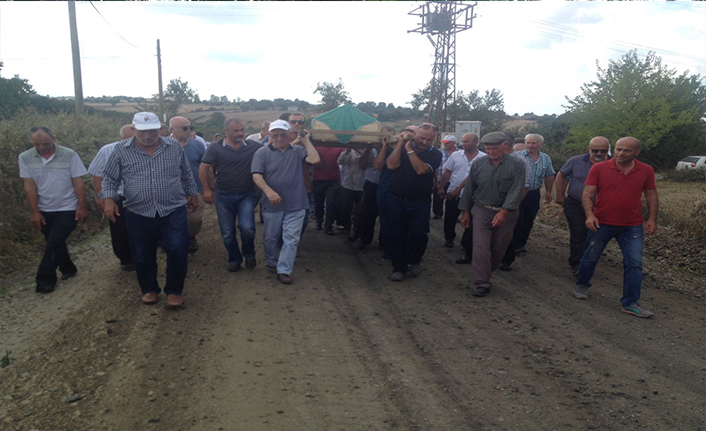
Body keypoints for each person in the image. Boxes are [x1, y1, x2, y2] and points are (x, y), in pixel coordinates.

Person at [101, 112, 198, 308]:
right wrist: (109, 200)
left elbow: (186, 173)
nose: (148, 136)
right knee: (142, 252)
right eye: (143, 132)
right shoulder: (121, 150)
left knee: (178, 248)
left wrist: (192, 193)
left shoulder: (174, 147)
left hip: (173, 208)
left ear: (160, 129)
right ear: (134, 129)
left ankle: (174, 291)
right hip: (138, 210)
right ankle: (149, 289)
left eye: (153, 131)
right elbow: (110, 179)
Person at [573, 137, 658, 318]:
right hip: (602, 222)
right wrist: (590, 215)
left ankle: (630, 302)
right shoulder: (599, 168)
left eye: (627, 150)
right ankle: (582, 284)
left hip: (632, 225)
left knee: (634, 263)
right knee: (590, 256)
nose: (621, 153)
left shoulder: (646, 170)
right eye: (618, 149)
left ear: (637, 152)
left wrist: (652, 218)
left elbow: (651, 194)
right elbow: (587, 193)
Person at [19, 126, 88, 293]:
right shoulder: (25, 157)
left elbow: (78, 182)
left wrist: (82, 206)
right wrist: (34, 212)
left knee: (53, 243)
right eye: (37, 144)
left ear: (53, 139)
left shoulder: (69, 155)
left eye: (46, 143)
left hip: (68, 207)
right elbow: (29, 186)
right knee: (55, 241)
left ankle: (44, 280)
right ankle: (68, 268)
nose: (42, 147)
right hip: (44, 209)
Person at [251, 120, 320, 284]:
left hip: (296, 203)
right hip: (272, 205)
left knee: (291, 238)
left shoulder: (298, 151)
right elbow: (256, 175)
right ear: (270, 135)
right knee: (271, 238)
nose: (280, 138)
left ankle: (284, 270)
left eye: (283, 135)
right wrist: (268, 191)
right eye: (275, 135)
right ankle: (272, 261)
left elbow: (314, 159)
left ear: (289, 135)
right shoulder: (262, 153)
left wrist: (305, 140)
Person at [458, 132, 526, 297]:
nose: (490, 152)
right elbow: (469, 188)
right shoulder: (478, 164)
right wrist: (465, 211)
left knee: (498, 247)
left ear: (505, 146)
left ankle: (486, 272)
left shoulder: (517, 164)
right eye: (487, 149)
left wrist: (504, 211)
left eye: (494, 148)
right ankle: (482, 282)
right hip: (482, 210)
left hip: (507, 213)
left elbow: (517, 190)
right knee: (480, 247)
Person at [200, 118, 263, 272]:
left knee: (247, 227)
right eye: (236, 130)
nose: (240, 133)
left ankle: (249, 254)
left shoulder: (253, 146)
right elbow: (203, 168)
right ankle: (234, 259)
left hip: (247, 194)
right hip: (223, 195)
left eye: (242, 130)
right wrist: (206, 190)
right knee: (227, 232)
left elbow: (271, 152)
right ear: (225, 131)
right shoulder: (215, 147)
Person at [386, 123, 442, 281]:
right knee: (397, 234)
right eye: (422, 138)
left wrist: (409, 149)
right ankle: (399, 268)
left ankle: (415, 259)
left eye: (429, 140)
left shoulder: (435, 154)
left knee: (419, 234)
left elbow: (421, 169)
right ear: (414, 135)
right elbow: (391, 165)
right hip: (396, 198)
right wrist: (400, 145)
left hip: (420, 201)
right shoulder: (402, 148)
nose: (425, 142)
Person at [555, 136, 611, 276]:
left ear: (608, 150)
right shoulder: (575, 161)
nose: (599, 153)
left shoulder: (614, 164)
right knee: (578, 232)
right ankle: (577, 264)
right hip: (575, 203)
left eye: (603, 151)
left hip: (602, 207)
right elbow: (561, 175)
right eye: (595, 150)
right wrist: (560, 196)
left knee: (594, 234)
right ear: (589, 149)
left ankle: (587, 259)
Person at [499, 133, 555, 270]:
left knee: (529, 220)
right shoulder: (518, 157)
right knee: (517, 220)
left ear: (540, 145)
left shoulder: (545, 158)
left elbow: (549, 175)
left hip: (534, 193)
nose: (530, 145)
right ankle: (511, 246)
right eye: (528, 142)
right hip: (517, 193)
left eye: (533, 143)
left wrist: (548, 191)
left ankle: (520, 244)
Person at [88, 124, 136, 271]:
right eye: (126, 139)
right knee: (119, 229)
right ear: (120, 137)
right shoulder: (107, 150)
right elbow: (97, 175)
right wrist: (101, 197)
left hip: (140, 196)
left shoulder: (146, 149)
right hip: (117, 196)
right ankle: (126, 259)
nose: (129, 142)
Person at [438, 133, 486, 248]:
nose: (463, 144)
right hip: (453, 192)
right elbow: (447, 172)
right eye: (463, 141)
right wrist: (442, 187)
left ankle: (466, 242)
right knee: (450, 217)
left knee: (471, 219)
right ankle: (449, 238)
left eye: (467, 141)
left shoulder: (484, 158)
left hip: (474, 195)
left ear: (476, 143)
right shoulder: (456, 155)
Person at [375, 126, 415, 261]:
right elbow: (378, 165)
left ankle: (406, 251)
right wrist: (385, 146)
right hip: (386, 189)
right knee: (387, 222)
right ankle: (388, 250)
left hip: (406, 191)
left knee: (406, 224)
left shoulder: (415, 151)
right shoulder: (389, 149)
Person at [170, 116, 206, 253]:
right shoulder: (164, 146)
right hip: (172, 191)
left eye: (190, 127)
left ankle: (191, 236)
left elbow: (205, 167)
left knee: (195, 220)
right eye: (184, 128)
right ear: (172, 129)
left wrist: (208, 187)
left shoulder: (197, 145)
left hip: (195, 189)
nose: (188, 130)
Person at [358, 126, 395, 250]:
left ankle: (383, 242)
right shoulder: (372, 150)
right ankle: (365, 239)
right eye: (382, 135)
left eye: (388, 136)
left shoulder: (395, 151)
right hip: (372, 185)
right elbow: (362, 165)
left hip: (389, 186)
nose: (385, 138)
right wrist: (368, 148)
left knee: (387, 215)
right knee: (368, 213)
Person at [337, 147, 366, 240]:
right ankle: (346, 226)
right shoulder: (349, 151)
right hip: (348, 184)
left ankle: (357, 230)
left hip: (361, 185)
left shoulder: (370, 151)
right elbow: (340, 162)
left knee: (360, 210)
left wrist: (361, 152)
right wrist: (348, 151)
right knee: (345, 206)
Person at [433, 135, 458, 219]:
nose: (445, 144)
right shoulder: (439, 153)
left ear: (454, 143)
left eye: (448, 143)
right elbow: (436, 167)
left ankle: (452, 215)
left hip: (455, 180)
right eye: (444, 143)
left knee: (453, 198)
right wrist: (436, 181)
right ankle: (438, 213)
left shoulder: (460, 153)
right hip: (441, 178)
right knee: (438, 197)